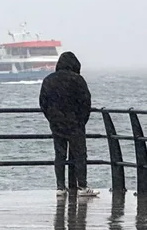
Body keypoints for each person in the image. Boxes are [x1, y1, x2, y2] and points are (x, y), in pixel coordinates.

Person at [39, 51, 99, 197]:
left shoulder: (49, 80)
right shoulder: (77, 80)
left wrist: (52, 118)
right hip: (75, 124)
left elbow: (43, 102)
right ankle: (82, 186)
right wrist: (81, 121)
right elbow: (86, 102)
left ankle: (60, 187)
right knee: (80, 155)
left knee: (59, 155)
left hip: (57, 124)